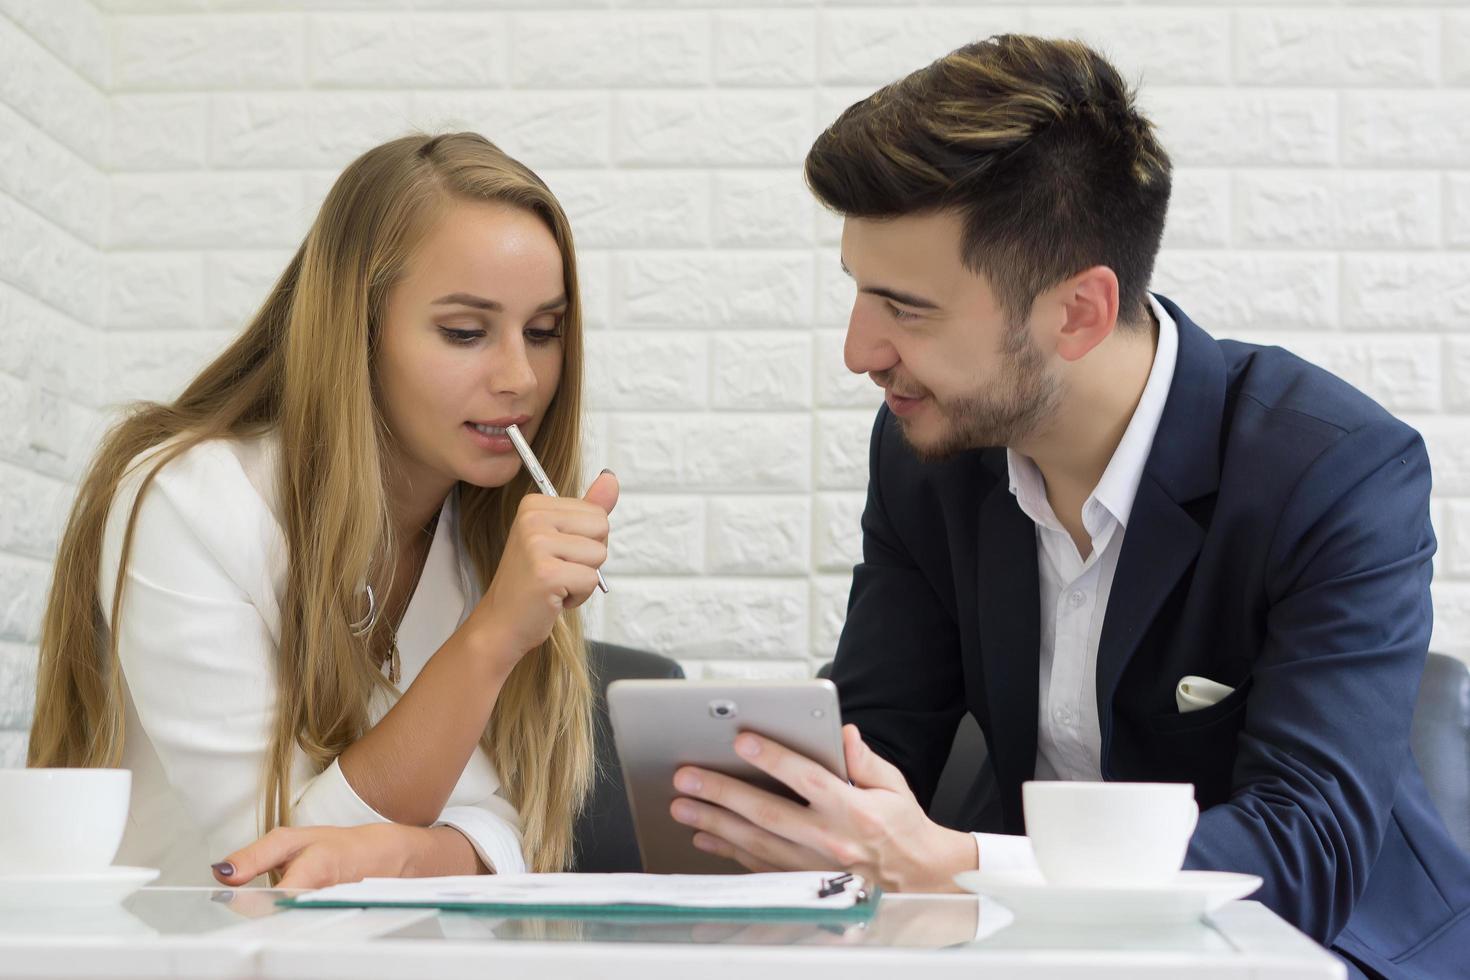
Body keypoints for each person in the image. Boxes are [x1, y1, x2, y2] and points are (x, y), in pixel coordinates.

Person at [667, 35, 1470, 977]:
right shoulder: (931, 452)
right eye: (857, 294)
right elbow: (881, 740)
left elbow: (1305, 855)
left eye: (907, 308)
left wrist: (966, 868)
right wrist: (763, 804)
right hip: (1030, 948)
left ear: (1079, 312)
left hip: (1317, 947)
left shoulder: (1335, 472)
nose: (859, 350)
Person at [28, 132, 618, 888]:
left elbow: (515, 820)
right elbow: (276, 866)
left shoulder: (493, 528)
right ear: (357, 328)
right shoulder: (188, 503)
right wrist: (493, 635)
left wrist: (408, 852)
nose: (521, 377)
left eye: (544, 332)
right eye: (465, 332)